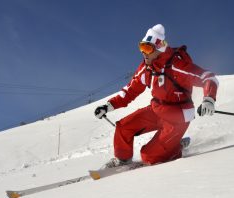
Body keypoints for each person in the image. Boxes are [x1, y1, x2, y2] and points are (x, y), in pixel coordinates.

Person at [94, 24, 219, 168]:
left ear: (159, 48)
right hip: (157, 110)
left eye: (147, 48)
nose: (143, 53)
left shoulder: (175, 66)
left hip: (177, 118)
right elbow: (129, 91)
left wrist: (209, 99)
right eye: (141, 47)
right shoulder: (147, 68)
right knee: (123, 127)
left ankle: (175, 147)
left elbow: (208, 78)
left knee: (149, 156)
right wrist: (108, 106)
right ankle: (122, 160)